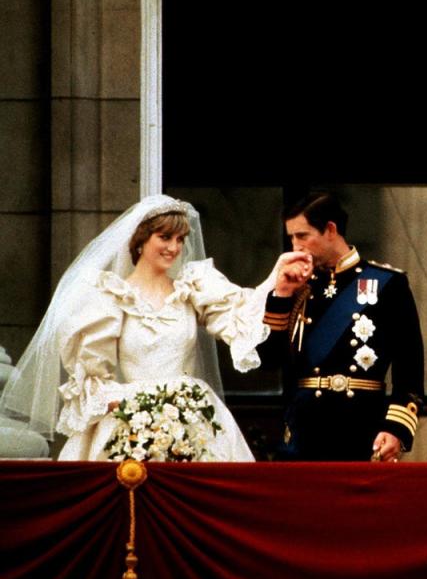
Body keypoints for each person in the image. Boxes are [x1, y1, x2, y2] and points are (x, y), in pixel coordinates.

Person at [0, 195, 278, 461]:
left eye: (180, 239)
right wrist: (140, 411)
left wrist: (278, 281)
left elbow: (241, 317)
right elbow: (92, 379)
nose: (174, 247)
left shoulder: (193, 287)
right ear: (140, 241)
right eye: (165, 237)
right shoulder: (109, 296)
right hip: (130, 420)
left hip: (193, 418)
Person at [257, 191, 425, 462]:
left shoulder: (387, 283)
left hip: (362, 428)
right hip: (305, 430)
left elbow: (410, 370)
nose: (295, 247)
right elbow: (268, 360)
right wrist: (282, 296)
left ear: (331, 230)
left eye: (302, 236)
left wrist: (395, 428)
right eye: (291, 238)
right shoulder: (295, 287)